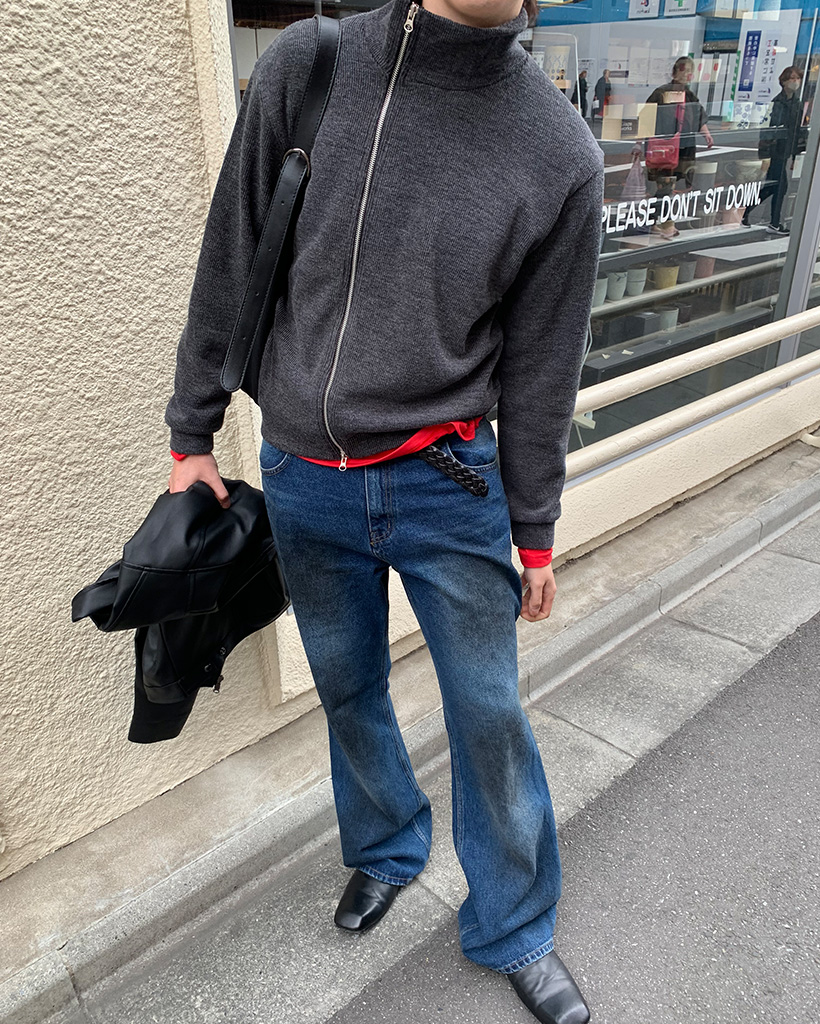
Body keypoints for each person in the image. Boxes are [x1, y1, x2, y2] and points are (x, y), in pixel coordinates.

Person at [164, 1, 603, 1022]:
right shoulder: (312, 66)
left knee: (488, 712)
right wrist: (192, 434)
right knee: (347, 684)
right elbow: (231, 253)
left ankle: (514, 922)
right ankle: (385, 846)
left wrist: (534, 528)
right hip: (305, 473)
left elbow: (543, 369)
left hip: (448, 484)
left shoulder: (559, 153)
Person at [645, 56, 713, 238]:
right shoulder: (661, 93)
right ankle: (668, 225)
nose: (686, 75)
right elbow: (646, 117)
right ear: (674, 72)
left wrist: (706, 134)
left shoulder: (689, 95)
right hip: (663, 147)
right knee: (666, 185)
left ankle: (651, 221)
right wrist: (638, 143)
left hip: (683, 149)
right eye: (683, 70)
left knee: (668, 186)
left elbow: (699, 116)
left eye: (690, 71)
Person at [742, 65, 804, 235]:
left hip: (786, 151)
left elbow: (797, 130)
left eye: (798, 78)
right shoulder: (778, 103)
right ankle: (774, 223)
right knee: (779, 186)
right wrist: (766, 153)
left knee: (773, 186)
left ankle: (746, 212)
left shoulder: (797, 103)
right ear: (784, 81)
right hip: (776, 151)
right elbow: (770, 129)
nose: (795, 82)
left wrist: (796, 154)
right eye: (792, 78)